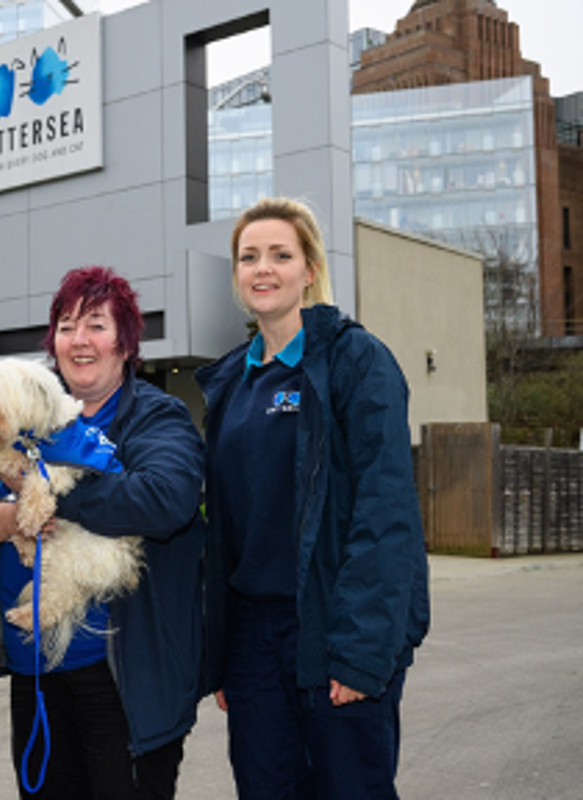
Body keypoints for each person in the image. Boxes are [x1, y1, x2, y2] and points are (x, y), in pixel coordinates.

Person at [195, 197, 430, 799]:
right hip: (253, 640)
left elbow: (386, 517)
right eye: (248, 257)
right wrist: (224, 655)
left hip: (331, 628)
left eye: (280, 254)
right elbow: (222, 533)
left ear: (309, 269)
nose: (262, 268)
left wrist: (358, 654)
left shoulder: (356, 361)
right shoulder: (229, 386)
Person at [0, 266, 210, 799]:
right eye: (67, 325)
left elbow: (166, 500)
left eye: (97, 325)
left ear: (125, 342)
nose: (79, 340)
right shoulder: (23, 418)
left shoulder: (157, 418)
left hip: (120, 677)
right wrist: (0, 519)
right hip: (34, 666)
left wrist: (50, 489)